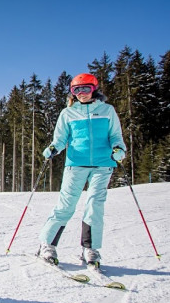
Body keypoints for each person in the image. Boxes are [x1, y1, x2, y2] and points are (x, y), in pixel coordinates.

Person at [37, 72, 127, 267]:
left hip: (103, 164)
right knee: (65, 205)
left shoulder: (107, 110)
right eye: (76, 90)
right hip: (76, 164)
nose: (81, 93)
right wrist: (54, 148)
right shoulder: (68, 113)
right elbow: (60, 139)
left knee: (95, 205)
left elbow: (116, 136)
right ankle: (47, 244)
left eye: (85, 88)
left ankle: (90, 248)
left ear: (94, 89)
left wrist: (119, 150)